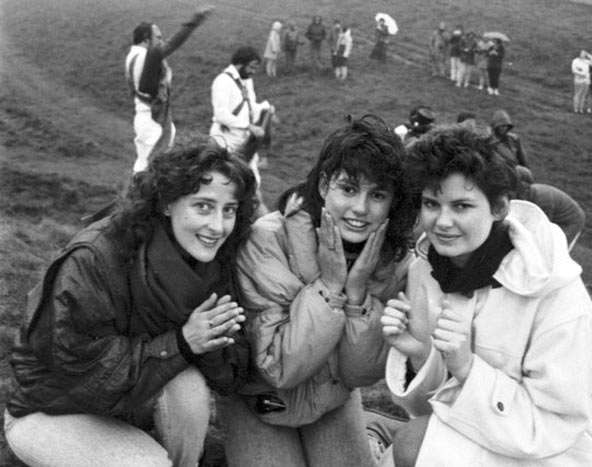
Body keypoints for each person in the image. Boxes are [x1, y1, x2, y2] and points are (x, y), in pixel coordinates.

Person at [4, 143, 257, 466]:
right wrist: (183, 342)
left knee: (190, 385)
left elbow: (230, 375)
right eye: (203, 206)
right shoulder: (95, 258)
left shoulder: (212, 261)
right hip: (49, 407)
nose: (218, 226)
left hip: (126, 403)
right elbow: (82, 374)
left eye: (229, 210)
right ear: (167, 203)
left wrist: (212, 343)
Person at [380, 125, 592, 466]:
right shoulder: (426, 269)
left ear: (500, 207)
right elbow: (431, 410)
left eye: (461, 206)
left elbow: (551, 429)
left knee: (412, 445)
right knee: (406, 445)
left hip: (557, 452)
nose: (442, 221)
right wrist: (419, 355)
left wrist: (467, 368)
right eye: (431, 203)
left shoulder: (555, 293)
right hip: (485, 435)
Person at [217, 115, 416, 467]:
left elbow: (358, 375)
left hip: (332, 399)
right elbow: (279, 367)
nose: (360, 209)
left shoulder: (389, 260)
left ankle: (373, 434)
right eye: (349, 189)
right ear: (324, 185)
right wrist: (328, 287)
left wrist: (356, 297)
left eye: (378, 195)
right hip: (260, 399)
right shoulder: (268, 240)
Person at [124, 7, 213, 173]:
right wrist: (195, 21)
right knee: (151, 169)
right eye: (157, 37)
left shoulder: (132, 56)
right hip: (153, 120)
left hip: (149, 117)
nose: (161, 41)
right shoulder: (145, 56)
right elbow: (173, 44)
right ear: (145, 39)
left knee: (153, 166)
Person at [209, 46, 275, 199]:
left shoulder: (247, 82)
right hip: (224, 140)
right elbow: (220, 114)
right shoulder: (222, 81)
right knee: (226, 182)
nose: (253, 72)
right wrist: (248, 126)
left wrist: (265, 107)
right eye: (251, 67)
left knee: (253, 181)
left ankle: (249, 216)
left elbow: (250, 108)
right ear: (240, 64)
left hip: (244, 140)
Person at [515, 166, 586, 249]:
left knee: (556, 250)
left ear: (525, 188)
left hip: (571, 221)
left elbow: (542, 229)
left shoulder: (543, 200)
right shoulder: (525, 196)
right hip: (556, 218)